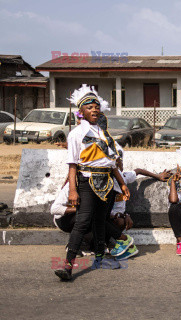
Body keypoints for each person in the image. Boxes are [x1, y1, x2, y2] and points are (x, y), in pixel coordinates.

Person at [54, 84, 130, 281]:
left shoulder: (105, 135)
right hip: (86, 182)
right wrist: (73, 190)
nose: (94, 109)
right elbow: (72, 165)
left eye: (96, 106)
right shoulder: (76, 134)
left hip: (106, 183)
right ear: (81, 112)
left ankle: (99, 258)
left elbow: (112, 164)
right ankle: (68, 266)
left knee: (99, 222)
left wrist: (121, 184)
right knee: (82, 221)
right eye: (89, 107)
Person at [107, 149, 172, 260]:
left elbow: (138, 171)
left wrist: (158, 176)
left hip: (118, 218)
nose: (120, 166)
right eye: (117, 164)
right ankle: (106, 243)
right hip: (108, 215)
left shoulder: (124, 177)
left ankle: (120, 243)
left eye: (121, 163)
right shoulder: (106, 182)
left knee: (120, 221)